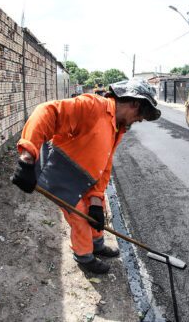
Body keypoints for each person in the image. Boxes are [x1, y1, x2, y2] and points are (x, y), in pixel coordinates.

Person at [11, 78, 160, 274]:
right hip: (60, 173)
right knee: (80, 216)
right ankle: (84, 257)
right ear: (134, 103)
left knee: (97, 212)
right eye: (141, 114)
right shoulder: (93, 106)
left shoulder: (118, 127)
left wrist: (97, 198)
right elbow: (46, 111)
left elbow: (104, 166)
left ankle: (97, 244)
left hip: (86, 178)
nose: (140, 120)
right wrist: (27, 158)